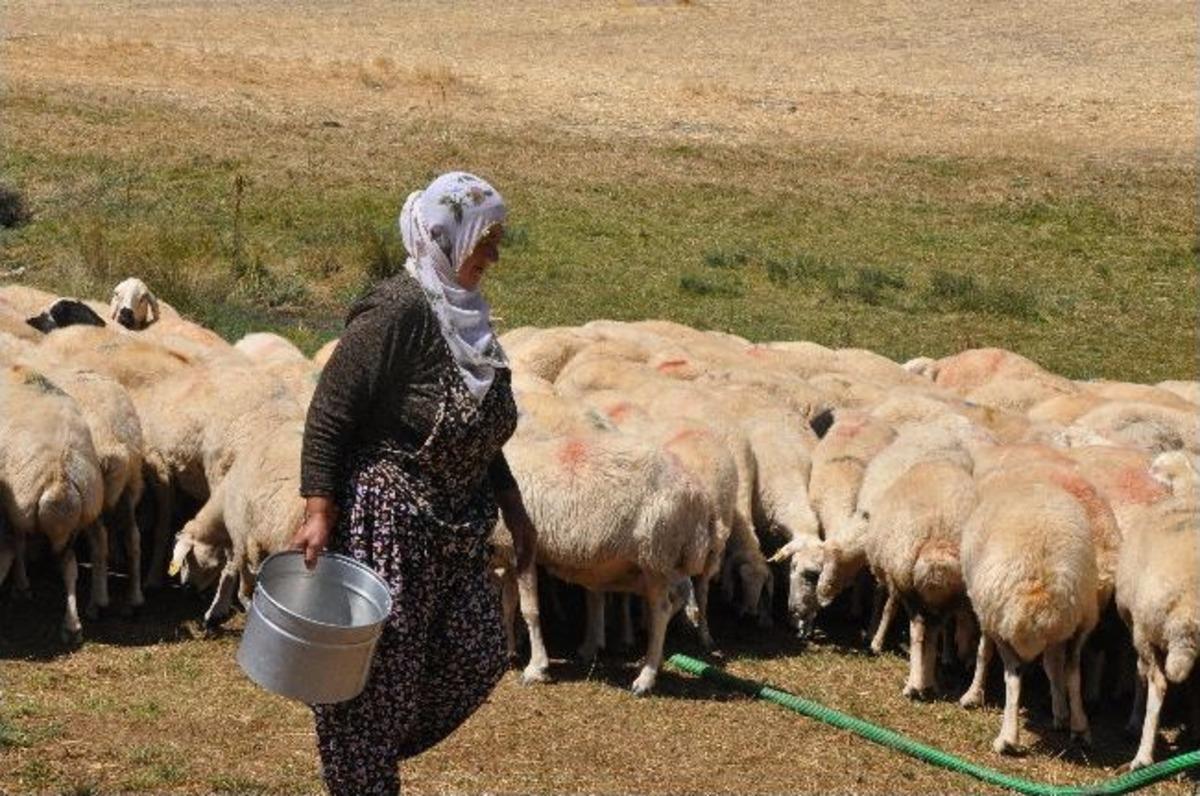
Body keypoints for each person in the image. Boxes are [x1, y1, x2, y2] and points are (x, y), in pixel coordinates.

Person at [292, 171, 537, 796]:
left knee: (480, 651)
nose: (494, 254)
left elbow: (476, 429)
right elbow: (331, 412)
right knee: (378, 680)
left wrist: (514, 506)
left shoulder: (469, 321)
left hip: (456, 527)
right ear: (448, 234)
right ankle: (364, 765)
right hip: (388, 524)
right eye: (487, 239)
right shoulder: (398, 308)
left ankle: (364, 750)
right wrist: (319, 509)